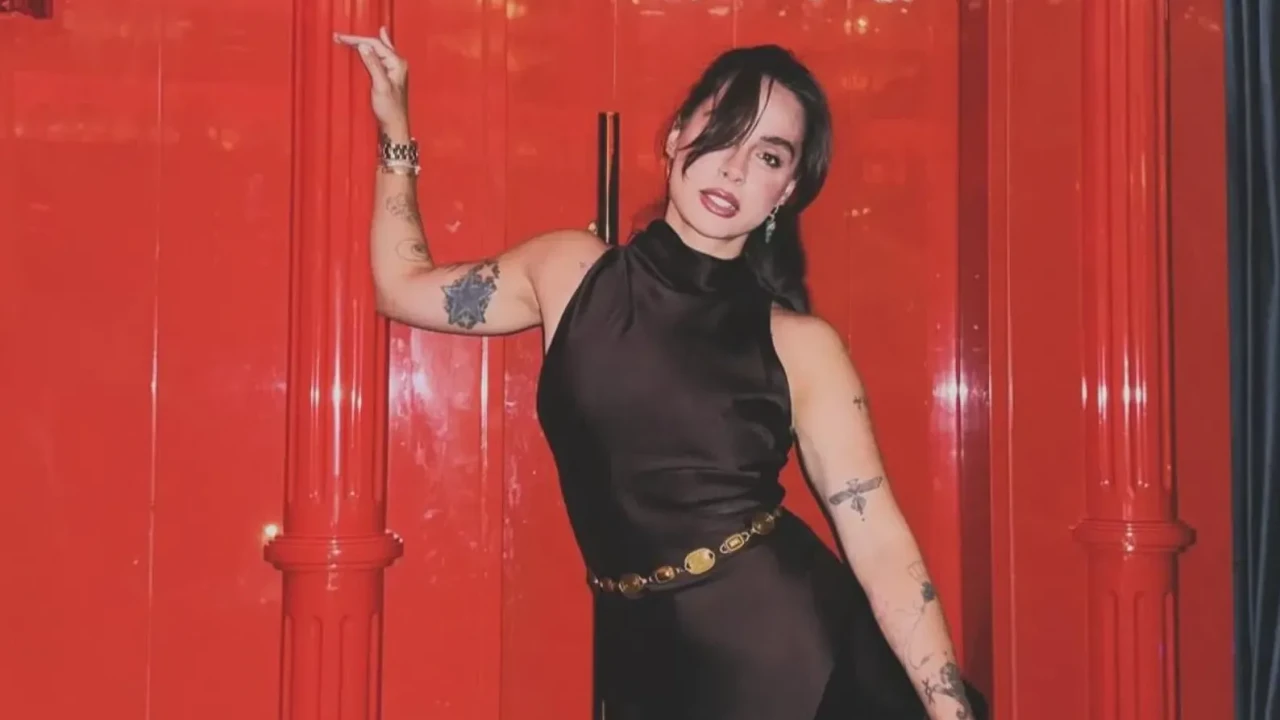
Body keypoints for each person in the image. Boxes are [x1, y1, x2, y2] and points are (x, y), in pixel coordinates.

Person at [335, 27, 989, 720]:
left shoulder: (801, 345)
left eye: (768, 155)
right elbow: (401, 288)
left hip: (794, 667)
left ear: (787, 190)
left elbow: (879, 542)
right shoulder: (569, 273)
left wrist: (950, 711)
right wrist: (396, 129)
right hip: (643, 662)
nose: (735, 168)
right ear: (677, 134)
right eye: (723, 129)